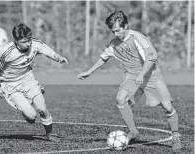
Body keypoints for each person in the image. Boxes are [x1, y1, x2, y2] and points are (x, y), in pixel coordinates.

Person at [77, 10, 181, 151]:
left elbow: (151, 59)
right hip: (131, 75)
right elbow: (104, 57)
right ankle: (133, 131)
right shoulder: (114, 44)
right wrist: (89, 71)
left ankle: (175, 136)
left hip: (151, 74)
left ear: (126, 25)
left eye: (118, 30)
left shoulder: (137, 38)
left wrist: (141, 75)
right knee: (121, 99)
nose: (116, 34)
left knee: (167, 107)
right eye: (113, 31)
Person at [0, 23, 68, 141]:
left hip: (28, 79)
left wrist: (58, 57)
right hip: (10, 85)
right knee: (31, 117)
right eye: (24, 42)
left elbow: (47, 50)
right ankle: (25, 110)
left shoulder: (34, 44)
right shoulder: (5, 51)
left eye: (29, 40)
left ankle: (50, 134)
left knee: (42, 109)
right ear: (15, 41)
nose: (28, 43)